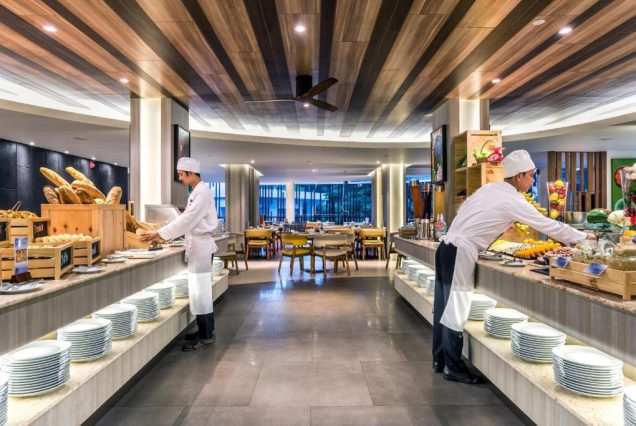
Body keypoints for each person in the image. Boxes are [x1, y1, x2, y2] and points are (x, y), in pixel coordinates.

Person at [432, 150, 595, 384]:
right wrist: (582, 237)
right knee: (455, 310)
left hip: (445, 247)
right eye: (531, 175)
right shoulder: (513, 200)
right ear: (519, 176)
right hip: (460, 251)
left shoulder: (489, 189)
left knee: (442, 307)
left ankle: (439, 360)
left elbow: (470, 215)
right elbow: (548, 225)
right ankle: (453, 368)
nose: (532, 180)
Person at [141, 157, 219, 351]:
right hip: (198, 245)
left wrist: (160, 233)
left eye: (182, 175)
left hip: (201, 247)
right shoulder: (197, 191)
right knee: (199, 292)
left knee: (201, 292)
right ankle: (206, 330)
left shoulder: (202, 192)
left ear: (191, 173)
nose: (180, 178)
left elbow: (187, 220)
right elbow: (186, 218)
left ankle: (206, 336)